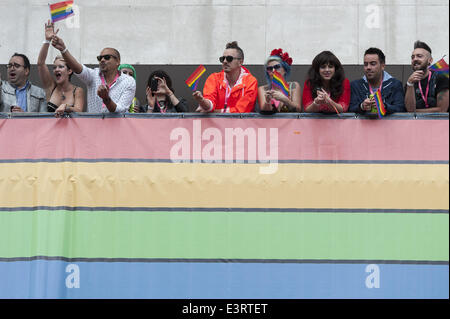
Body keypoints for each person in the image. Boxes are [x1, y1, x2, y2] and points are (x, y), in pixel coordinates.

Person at [50, 34, 136, 113]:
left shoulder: (128, 81)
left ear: (117, 61)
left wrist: (106, 99)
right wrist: (63, 49)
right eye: (100, 58)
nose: (102, 60)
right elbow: (77, 68)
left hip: (117, 128)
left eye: (107, 57)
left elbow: (120, 111)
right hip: (93, 127)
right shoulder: (93, 75)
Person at [193, 41, 258, 113]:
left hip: (242, 123)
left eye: (229, 58)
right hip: (216, 124)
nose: (225, 61)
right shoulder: (214, 78)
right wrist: (202, 101)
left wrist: (215, 112)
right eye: (222, 58)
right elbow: (210, 104)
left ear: (240, 62)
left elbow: (242, 111)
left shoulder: (251, 81)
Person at [37, 20, 84, 116]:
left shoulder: (78, 90)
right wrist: (47, 41)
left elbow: (79, 110)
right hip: (51, 130)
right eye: (54, 67)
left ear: (70, 71)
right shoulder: (51, 86)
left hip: (70, 130)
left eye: (61, 67)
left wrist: (66, 107)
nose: (56, 70)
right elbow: (40, 63)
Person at [349, 47, 405, 115]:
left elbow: (401, 109)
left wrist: (384, 106)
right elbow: (350, 108)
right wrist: (362, 106)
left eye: (373, 64)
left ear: (383, 66)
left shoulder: (395, 84)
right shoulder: (355, 85)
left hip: (388, 125)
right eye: (366, 64)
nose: (368, 67)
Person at [404, 40, 449, 113]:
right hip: (416, 123)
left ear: (430, 60)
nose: (415, 59)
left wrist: (415, 112)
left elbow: (442, 110)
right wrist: (410, 84)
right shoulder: (410, 83)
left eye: (419, 56)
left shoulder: (440, 78)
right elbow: (409, 110)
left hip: (439, 123)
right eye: (412, 57)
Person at [258, 48, 301, 113]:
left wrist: (284, 99)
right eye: (269, 68)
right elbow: (264, 110)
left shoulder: (293, 86)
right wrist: (267, 101)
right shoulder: (263, 89)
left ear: (285, 70)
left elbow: (298, 109)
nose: (273, 71)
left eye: (277, 67)